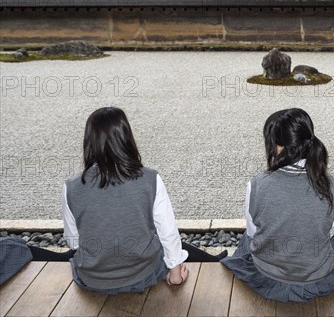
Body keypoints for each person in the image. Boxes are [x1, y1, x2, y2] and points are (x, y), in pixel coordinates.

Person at [59, 106, 223, 295]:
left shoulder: (71, 187)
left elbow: (74, 243)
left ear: (89, 141)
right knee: (160, 241)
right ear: (126, 137)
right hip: (143, 274)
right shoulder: (150, 179)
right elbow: (167, 232)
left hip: (93, 279)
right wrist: (175, 275)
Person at [221, 108, 334, 302]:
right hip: (316, 275)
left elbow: (253, 234)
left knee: (246, 240)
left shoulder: (257, 184)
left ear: (278, 146)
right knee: (331, 243)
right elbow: (328, 233)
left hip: (268, 274)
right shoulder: (332, 185)